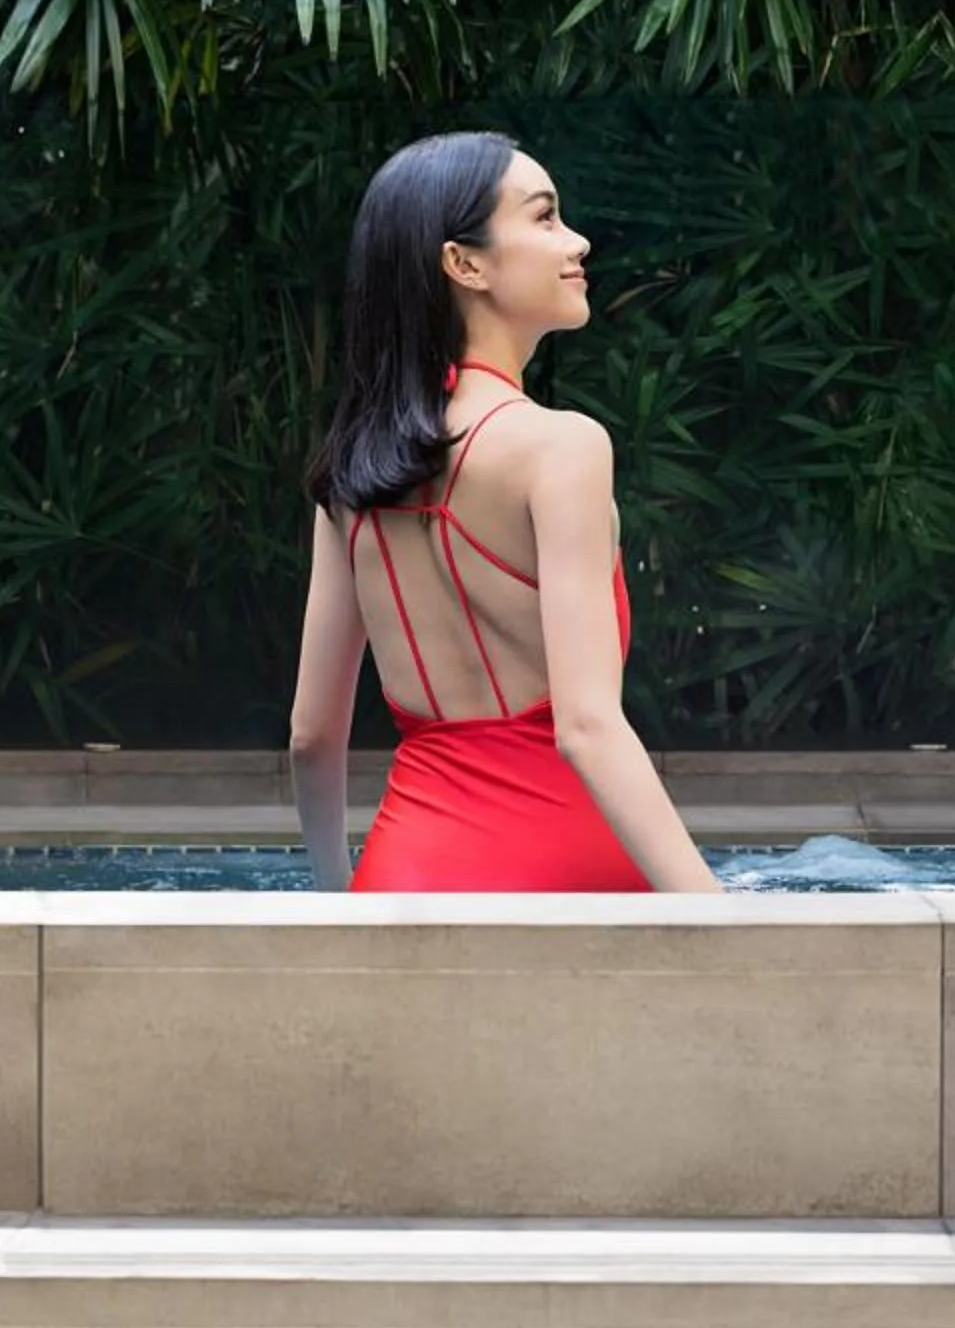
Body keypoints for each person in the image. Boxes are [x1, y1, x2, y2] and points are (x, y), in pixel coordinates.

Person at [288, 131, 719, 892]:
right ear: (465, 263)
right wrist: (725, 920)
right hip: (564, 882)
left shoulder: (352, 478)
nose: (577, 241)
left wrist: (337, 904)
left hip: (400, 877)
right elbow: (586, 728)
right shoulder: (561, 448)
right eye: (546, 218)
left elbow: (312, 738)